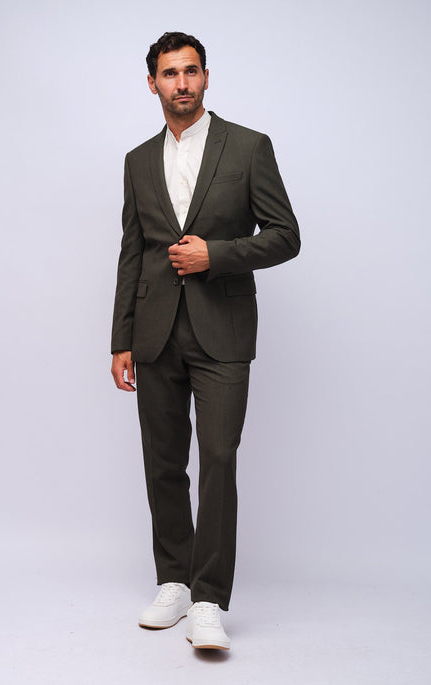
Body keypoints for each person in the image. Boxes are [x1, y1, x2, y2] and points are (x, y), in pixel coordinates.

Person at [111, 31, 300, 651]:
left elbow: (285, 235)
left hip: (222, 330)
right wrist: (120, 338)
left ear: (206, 77)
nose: (182, 83)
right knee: (164, 461)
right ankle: (174, 580)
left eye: (191, 71)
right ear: (152, 84)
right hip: (154, 331)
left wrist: (215, 255)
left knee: (218, 457)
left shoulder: (247, 147)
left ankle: (209, 598)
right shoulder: (138, 160)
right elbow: (133, 252)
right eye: (169, 74)